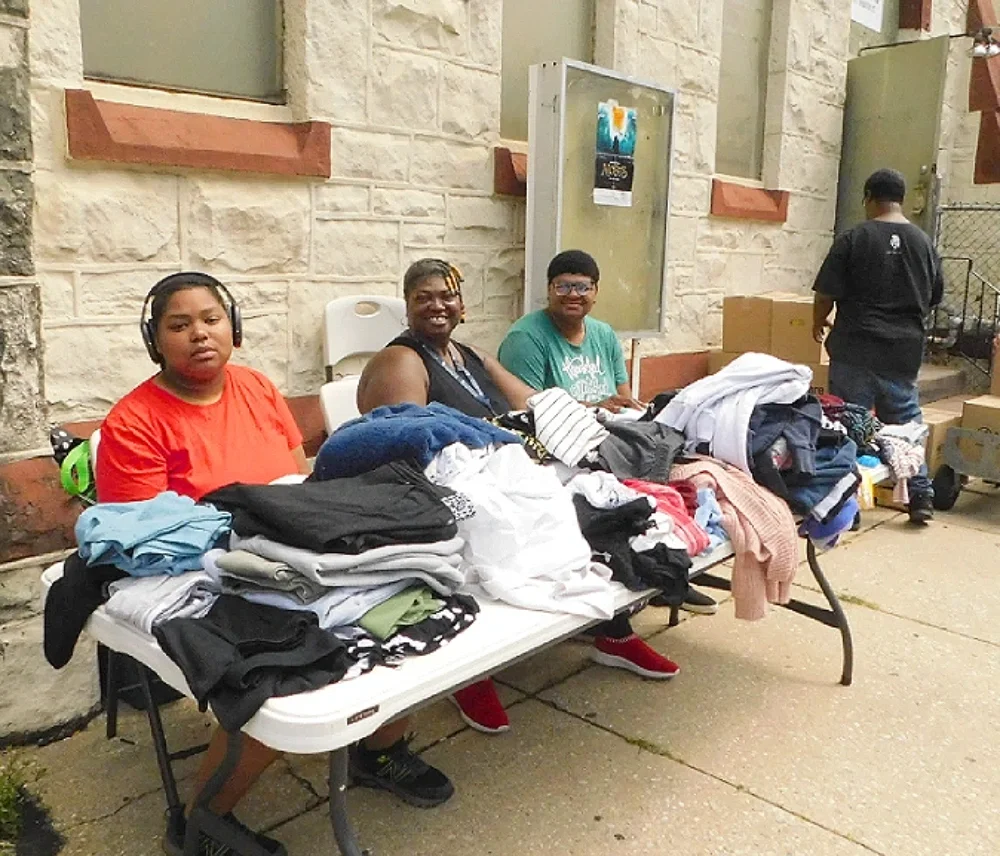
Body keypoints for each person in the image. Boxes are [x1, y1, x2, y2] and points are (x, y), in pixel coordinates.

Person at [96, 273, 452, 856]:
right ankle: (201, 821)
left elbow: (297, 480)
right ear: (154, 339)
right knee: (279, 672)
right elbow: (148, 542)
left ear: (231, 326)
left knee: (413, 613)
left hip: (288, 549)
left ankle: (379, 750)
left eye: (211, 319)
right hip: (205, 571)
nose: (199, 335)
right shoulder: (135, 421)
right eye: (178, 325)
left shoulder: (258, 387)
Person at [358, 258, 682, 737]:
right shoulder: (402, 360)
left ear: (462, 306)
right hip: (442, 490)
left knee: (602, 511)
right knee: (524, 530)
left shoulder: (468, 355)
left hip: (502, 471)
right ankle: (469, 671)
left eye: (446, 296)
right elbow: (413, 448)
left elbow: (533, 402)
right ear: (406, 307)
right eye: (422, 297)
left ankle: (612, 630)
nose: (437, 305)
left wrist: (588, 418)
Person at [498, 249, 719, 615]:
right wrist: (596, 409)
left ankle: (668, 567)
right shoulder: (527, 338)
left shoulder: (602, 334)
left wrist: (622, 409)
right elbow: (527, 409)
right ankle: (654, 576)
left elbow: (622, 397)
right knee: (633, 491)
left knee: (684, 466)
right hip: (560, 447)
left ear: (596, 291)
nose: (573, 294)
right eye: (563, 286)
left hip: (610, 435)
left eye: (582, 286)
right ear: (549, 290)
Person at [812, 168, 944, 525]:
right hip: (902, 352)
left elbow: (826, 292)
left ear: (869, 197)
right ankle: (920, 495)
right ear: (899, 199)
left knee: (849, 426)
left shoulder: (854, 238)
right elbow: (934, 296)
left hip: (856, 348)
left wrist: (818, 322)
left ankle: (848, 506)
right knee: (906, 423)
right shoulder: (924, 244)